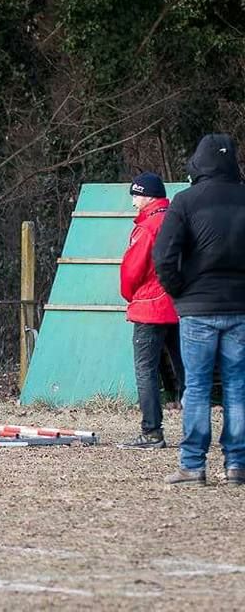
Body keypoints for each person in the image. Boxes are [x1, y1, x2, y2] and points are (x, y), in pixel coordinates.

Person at [153, 133, 245, 486]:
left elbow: (162, 255)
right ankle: (237, 464)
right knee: (238, 386)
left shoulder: (186, 201)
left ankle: (193, 465)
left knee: (197, 386)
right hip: (240, 306)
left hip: (197, 306)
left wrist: (179, 291)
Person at [118, 172, 185, 449]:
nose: (133, 201)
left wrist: (129, 294)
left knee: (145, 370)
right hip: (180, 305)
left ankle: (151, 432)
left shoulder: (147, 227)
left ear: (147, 196)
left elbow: (132, 270)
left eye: (135, 195)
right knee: (188, 369)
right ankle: (198, 429)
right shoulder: (178, 220)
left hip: (150, 306)